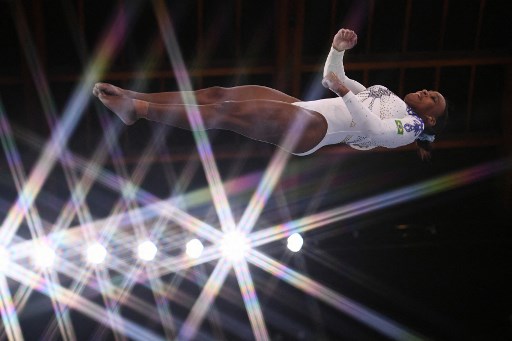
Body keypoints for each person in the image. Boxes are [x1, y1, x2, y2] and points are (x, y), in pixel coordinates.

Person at [93, 28, 447, 159]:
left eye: (433, 98)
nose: (428, 92)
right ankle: (136, 96)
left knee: (226, 111)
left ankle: (137, 109)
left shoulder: (412, 127)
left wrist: (344, 92)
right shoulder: (386, 95)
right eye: (431, 90)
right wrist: (338, 50)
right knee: (218, 94)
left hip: (316, 130)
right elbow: (333, 77)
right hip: (307, 108)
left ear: (430, 117)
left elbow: (375, 132)